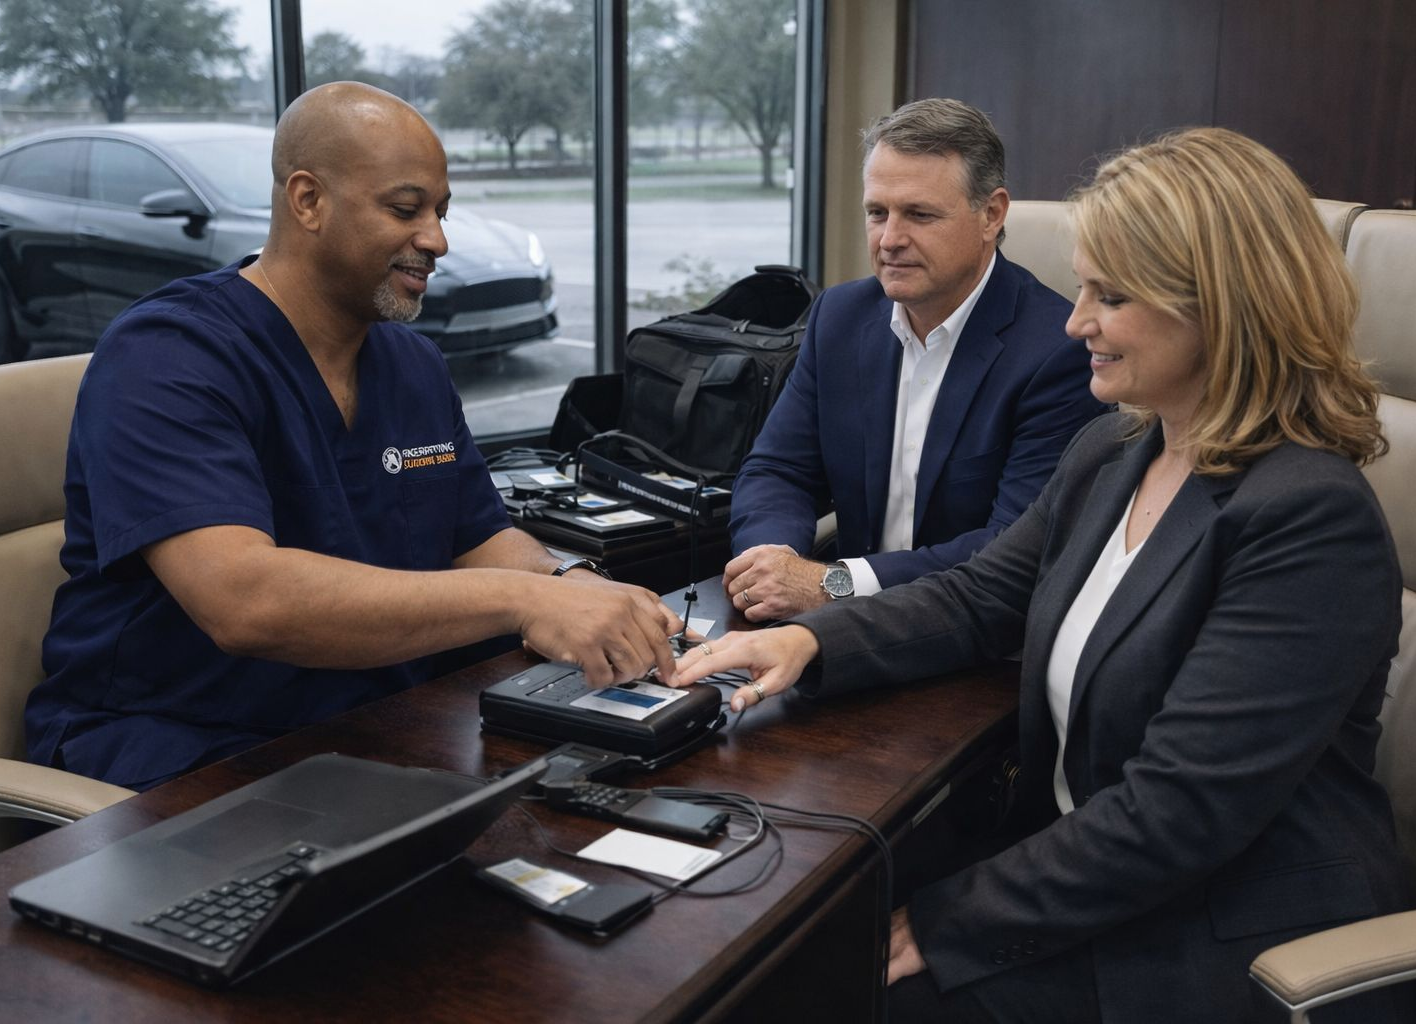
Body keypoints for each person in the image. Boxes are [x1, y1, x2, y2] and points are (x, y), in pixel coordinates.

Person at [674, 127, 1410, 1022]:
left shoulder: (1308, 517)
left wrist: (948, 922)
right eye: (1083, 285)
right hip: (1084, 866)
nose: (1074, 321)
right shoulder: (1116, 447)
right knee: (779, 936)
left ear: (1220, 305)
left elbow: (1176, 815)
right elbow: (984, 596)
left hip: (1218, 926)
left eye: (1112, 295)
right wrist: (804, 641)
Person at [28, 83, 681, 791]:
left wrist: (576, 589)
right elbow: (244, 602)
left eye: (440, 211)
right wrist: (525, 602)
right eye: (406, 209)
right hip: (185, 749)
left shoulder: (412, 362)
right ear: (307, 201)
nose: (436, 239)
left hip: (380, 725)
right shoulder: (169, 356)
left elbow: (476, 539)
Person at [724, 98, 1104, 622]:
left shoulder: (1057, 350)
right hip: (838, 622)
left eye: (920, 215)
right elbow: (778, 468)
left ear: (991, 214)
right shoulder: (840, 315)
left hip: (970, 634)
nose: (890, 239)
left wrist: (833, 583)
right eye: (877, 212)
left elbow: (1010, 550)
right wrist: (772, 560)